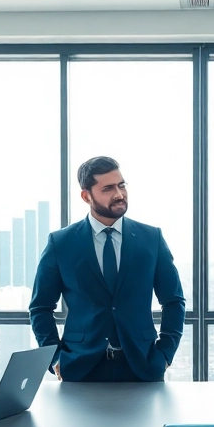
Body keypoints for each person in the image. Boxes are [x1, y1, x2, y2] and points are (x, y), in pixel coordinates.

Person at [29, 156, 185, 382]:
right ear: (86, 196)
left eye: (122, 185)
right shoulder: (60, 243)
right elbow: (40, 307)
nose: (119, 194)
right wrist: (54, 359)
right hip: (80, 367)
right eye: (108, 188)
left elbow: (174, 301)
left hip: (143, 365)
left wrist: (166, 354)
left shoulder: (151, 239)